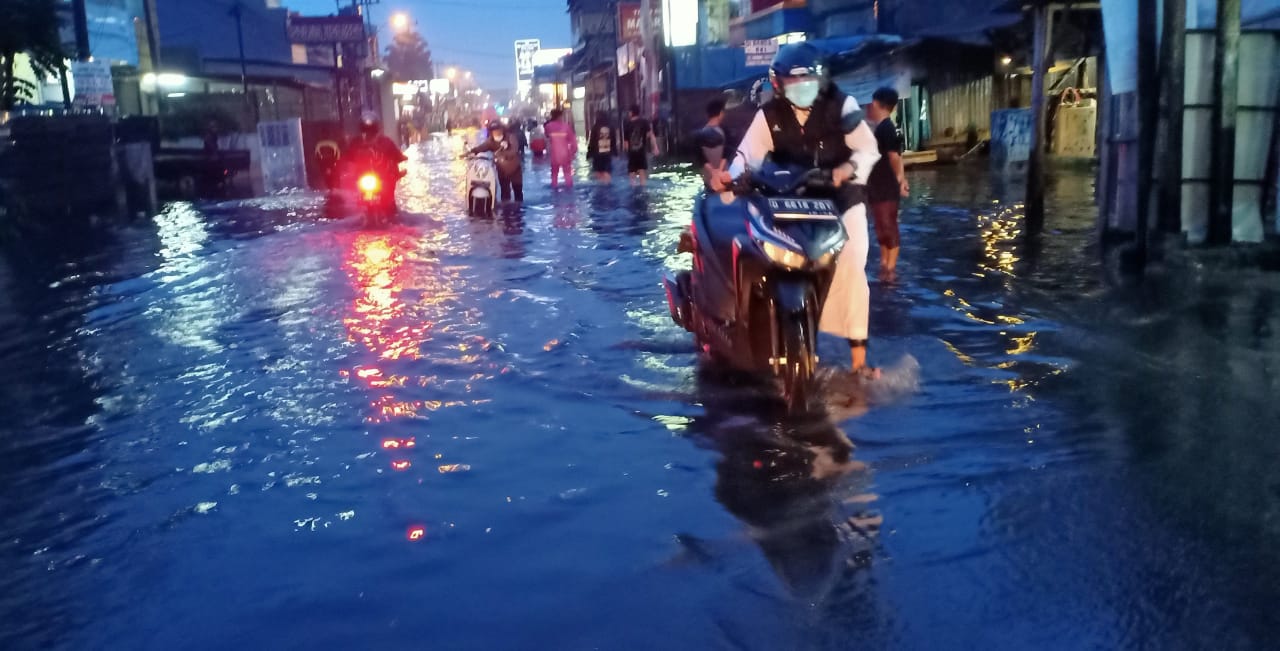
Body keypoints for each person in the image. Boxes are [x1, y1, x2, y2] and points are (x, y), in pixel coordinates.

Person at [710, 42, 882, 379]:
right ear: (778, 83)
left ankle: (859, 361)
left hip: (841, 201)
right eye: (792, 80)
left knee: (851, 262)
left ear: (820, 78)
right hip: (791, 199)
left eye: (806, 79)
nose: (799, 86)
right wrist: (728, 176)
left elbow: (868, 149)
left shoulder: (841, 105)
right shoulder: (770, 115)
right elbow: (748, 155)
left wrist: (846, 170)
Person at [865, 87, 909, 281]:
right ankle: (884, 262)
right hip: (877, 186)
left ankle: (891, 268)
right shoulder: (882, 127)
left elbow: (894, 157)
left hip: (886, 187)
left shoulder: (886, 128)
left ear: (875, 103)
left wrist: (900, 179)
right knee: (881, 227)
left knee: (888, 225)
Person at [345, 111, 408, 200]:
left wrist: (401, 159)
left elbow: (396, 155)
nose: (368, 133)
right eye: (366, 129)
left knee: (389, 198)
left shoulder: (385, 142)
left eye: (370, 130)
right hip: (363, 178)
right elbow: (348, 158)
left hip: (383, 178)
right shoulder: (356, 142)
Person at [466, 121, 523, 203]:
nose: (497, 133)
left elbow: (514, 150)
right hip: (502, 171)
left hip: (515, 170)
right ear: (491, 132)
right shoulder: (491, 141)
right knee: (505, 194)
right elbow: (481, 148)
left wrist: (502, 154)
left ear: (502, 130)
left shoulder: (510, 137)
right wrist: (470, 152)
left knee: (518, 194)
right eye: (494, 131)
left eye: (498, 130)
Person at [694, 98, 728, 188]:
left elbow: (700, 158)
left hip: (708, 177)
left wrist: (713, 171)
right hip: (722, 177)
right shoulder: (724, 132)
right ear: (720, 113)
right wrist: (718, 172)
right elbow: (726, 154)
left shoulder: (700, 134)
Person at [624, 105, 659, 186]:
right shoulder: (644, 122)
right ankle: (643, 189)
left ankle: (633, 188)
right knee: (642, 173)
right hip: (641, 152)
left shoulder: (627, 124)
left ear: (631, 112)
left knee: (632, 175)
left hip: (631, 153)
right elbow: (651, 135)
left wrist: (626, 153)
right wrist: (655, 147)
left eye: (629, 112)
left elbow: (625, 143)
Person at [545, 108, 577, 189]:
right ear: (560, 116)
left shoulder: (548, 127)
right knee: (567, 175)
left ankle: (554, 190)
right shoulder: (566, 127)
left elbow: (547, 138)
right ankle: (569, 192)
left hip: (554, 155)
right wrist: (573, 152)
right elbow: (573, 142)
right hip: (565, 155)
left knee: (554, 175)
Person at [586, 111, 617, 183]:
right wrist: (615, 152)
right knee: (607, 170)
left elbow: (592, 141)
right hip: (607, 153)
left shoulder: (595, 127)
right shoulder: (611, 127)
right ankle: (607, 184)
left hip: (597, 154)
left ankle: (602, 184)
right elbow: (613, 140)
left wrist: (589, 153)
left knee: (598, 171)